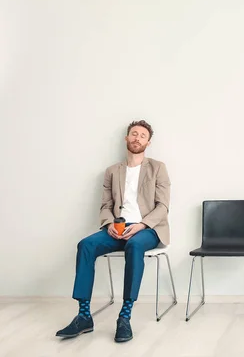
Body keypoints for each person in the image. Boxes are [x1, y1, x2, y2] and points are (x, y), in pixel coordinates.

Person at [56, 120, 171, 343]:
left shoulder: (158, 168)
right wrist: (109, 224)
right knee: (86, 245)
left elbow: (163, 206)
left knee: (135, 245)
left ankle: (124, 317)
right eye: (134, 134)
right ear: (126, 138)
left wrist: (142, 225)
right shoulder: (112, 171)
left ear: (148, 142)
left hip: (147, 229)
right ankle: (84, 316)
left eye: (142, 136)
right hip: (117, 228)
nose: (137, 138)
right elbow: (106, 205)